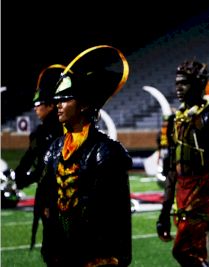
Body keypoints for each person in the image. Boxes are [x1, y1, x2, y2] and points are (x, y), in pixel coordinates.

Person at [36, 45, 132, 266]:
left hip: (95, 253)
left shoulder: (106, 152)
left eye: (66, 99)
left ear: (84, 104)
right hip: (63, 251)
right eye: (57, 99)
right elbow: (48, 205)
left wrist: (117, 256)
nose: (58, 105)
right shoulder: (53, 150)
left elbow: (117, 214)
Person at [156, 60, 209, 267]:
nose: (178, 88)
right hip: (183, 189)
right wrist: (164, 212)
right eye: (177, 83)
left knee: (184, 251)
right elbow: (172, 169)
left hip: (205, 188)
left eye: (185, 83)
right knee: (190, 254)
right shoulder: (174, 120)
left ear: (199, 85)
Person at [14, 65, 65, 190]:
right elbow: (32, 156)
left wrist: (25, 176)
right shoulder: (41, 131)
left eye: (38, 104)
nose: (35, 108)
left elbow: (45, 164)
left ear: (50, 105)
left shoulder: (61, 129)